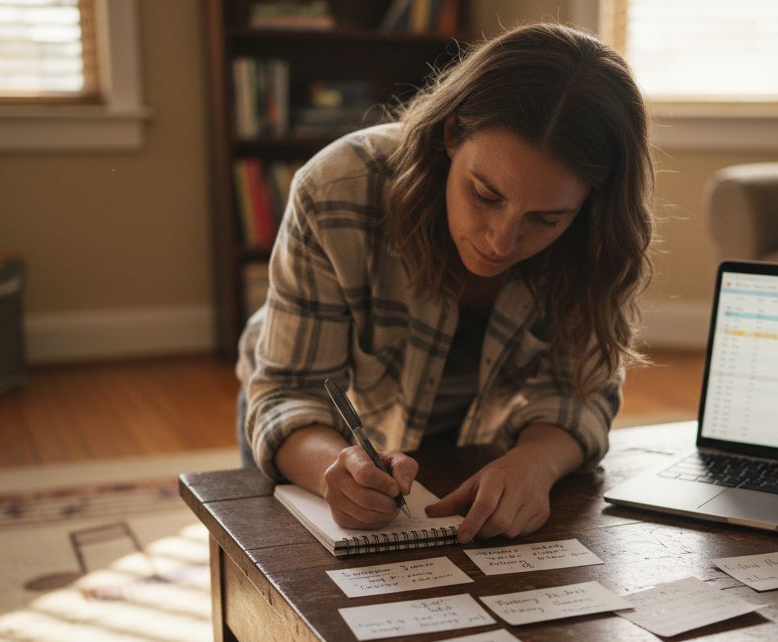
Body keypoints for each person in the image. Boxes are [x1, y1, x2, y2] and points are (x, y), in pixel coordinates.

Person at [236, 22, 653, 545]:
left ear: (592, 203)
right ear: (451, 134)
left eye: (545, 220)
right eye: (484, 194)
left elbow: (578, 395)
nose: (502, 241)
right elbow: (289, 392)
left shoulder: (598, 238)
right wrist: (333, 469)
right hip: (309, 436)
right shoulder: (338, 189)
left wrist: (534, 465)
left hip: (476, 439)